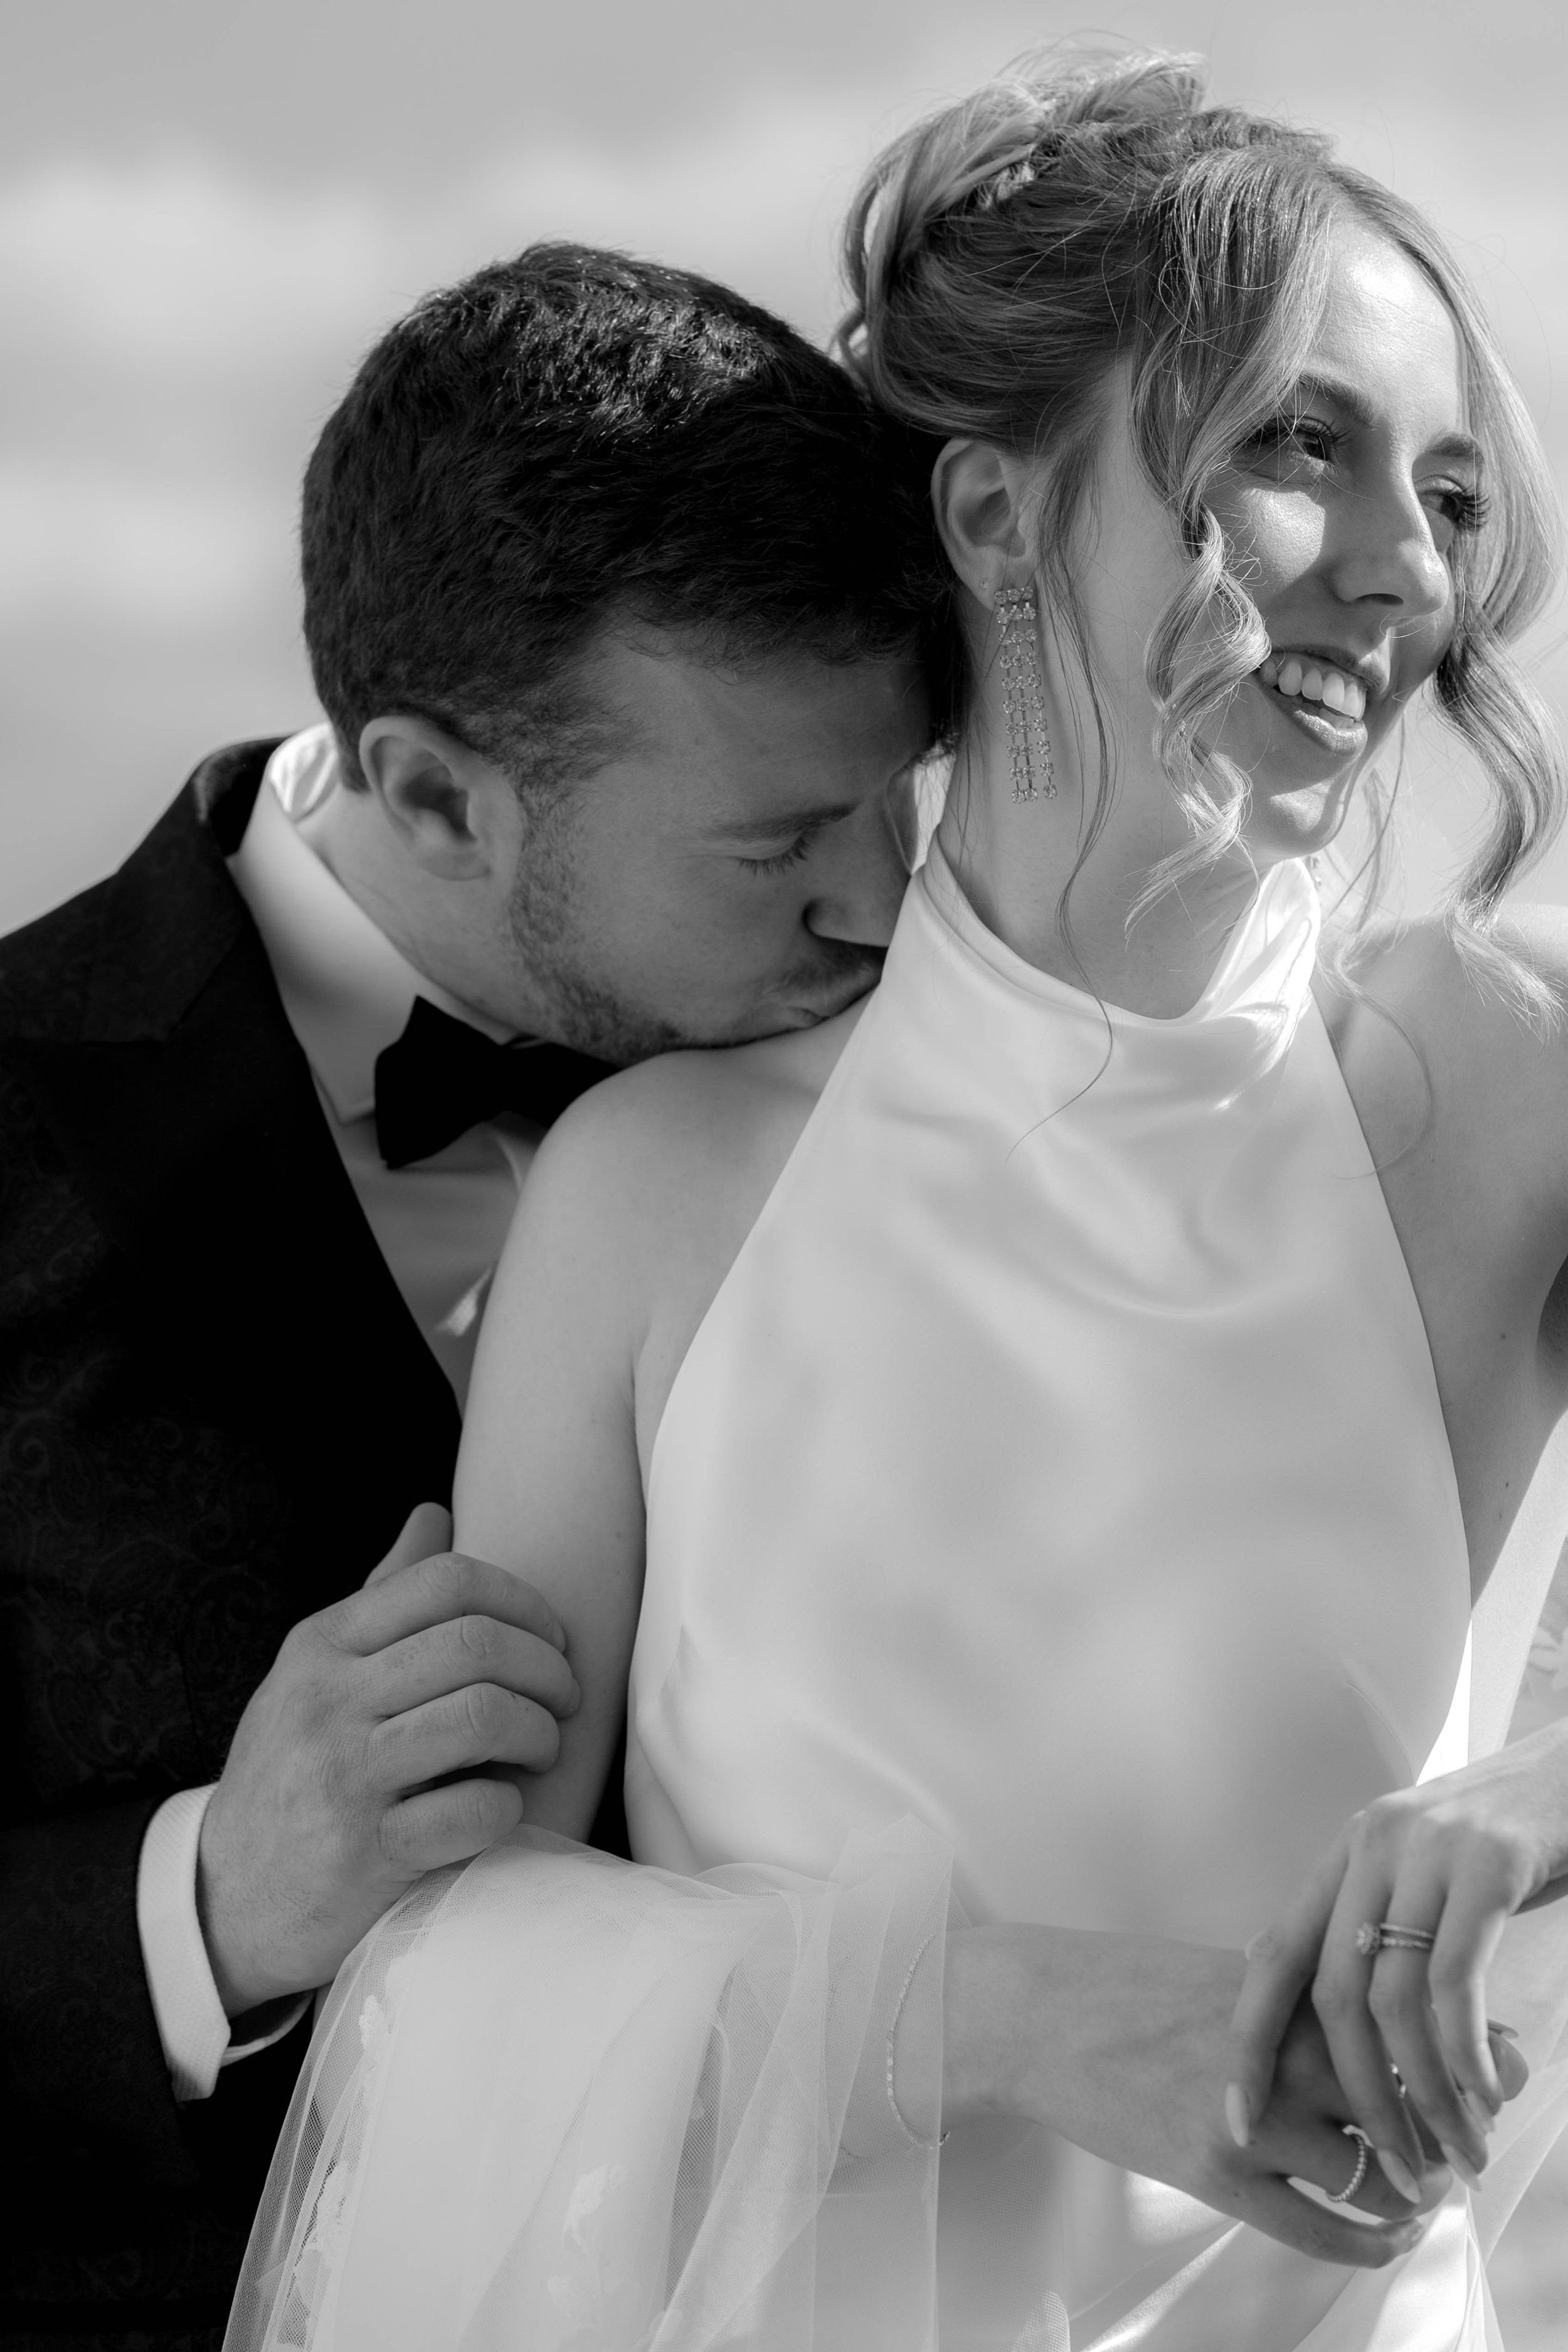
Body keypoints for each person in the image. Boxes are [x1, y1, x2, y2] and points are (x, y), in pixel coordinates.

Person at [229, 51, 1568, 2352]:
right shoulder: (654, 1187)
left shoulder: (1501, 1092)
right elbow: (454, 1956)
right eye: (1294, 445)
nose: (1406, 567)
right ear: (987, 515)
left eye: (1448, 489)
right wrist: (1013, 2020)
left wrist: (1537, 1789)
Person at [0, 243, 949, 2346]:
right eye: (780, 834)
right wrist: (204, 1905)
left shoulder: (930, 1105)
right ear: (432, 787)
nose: (881, 905)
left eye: (903, 793)